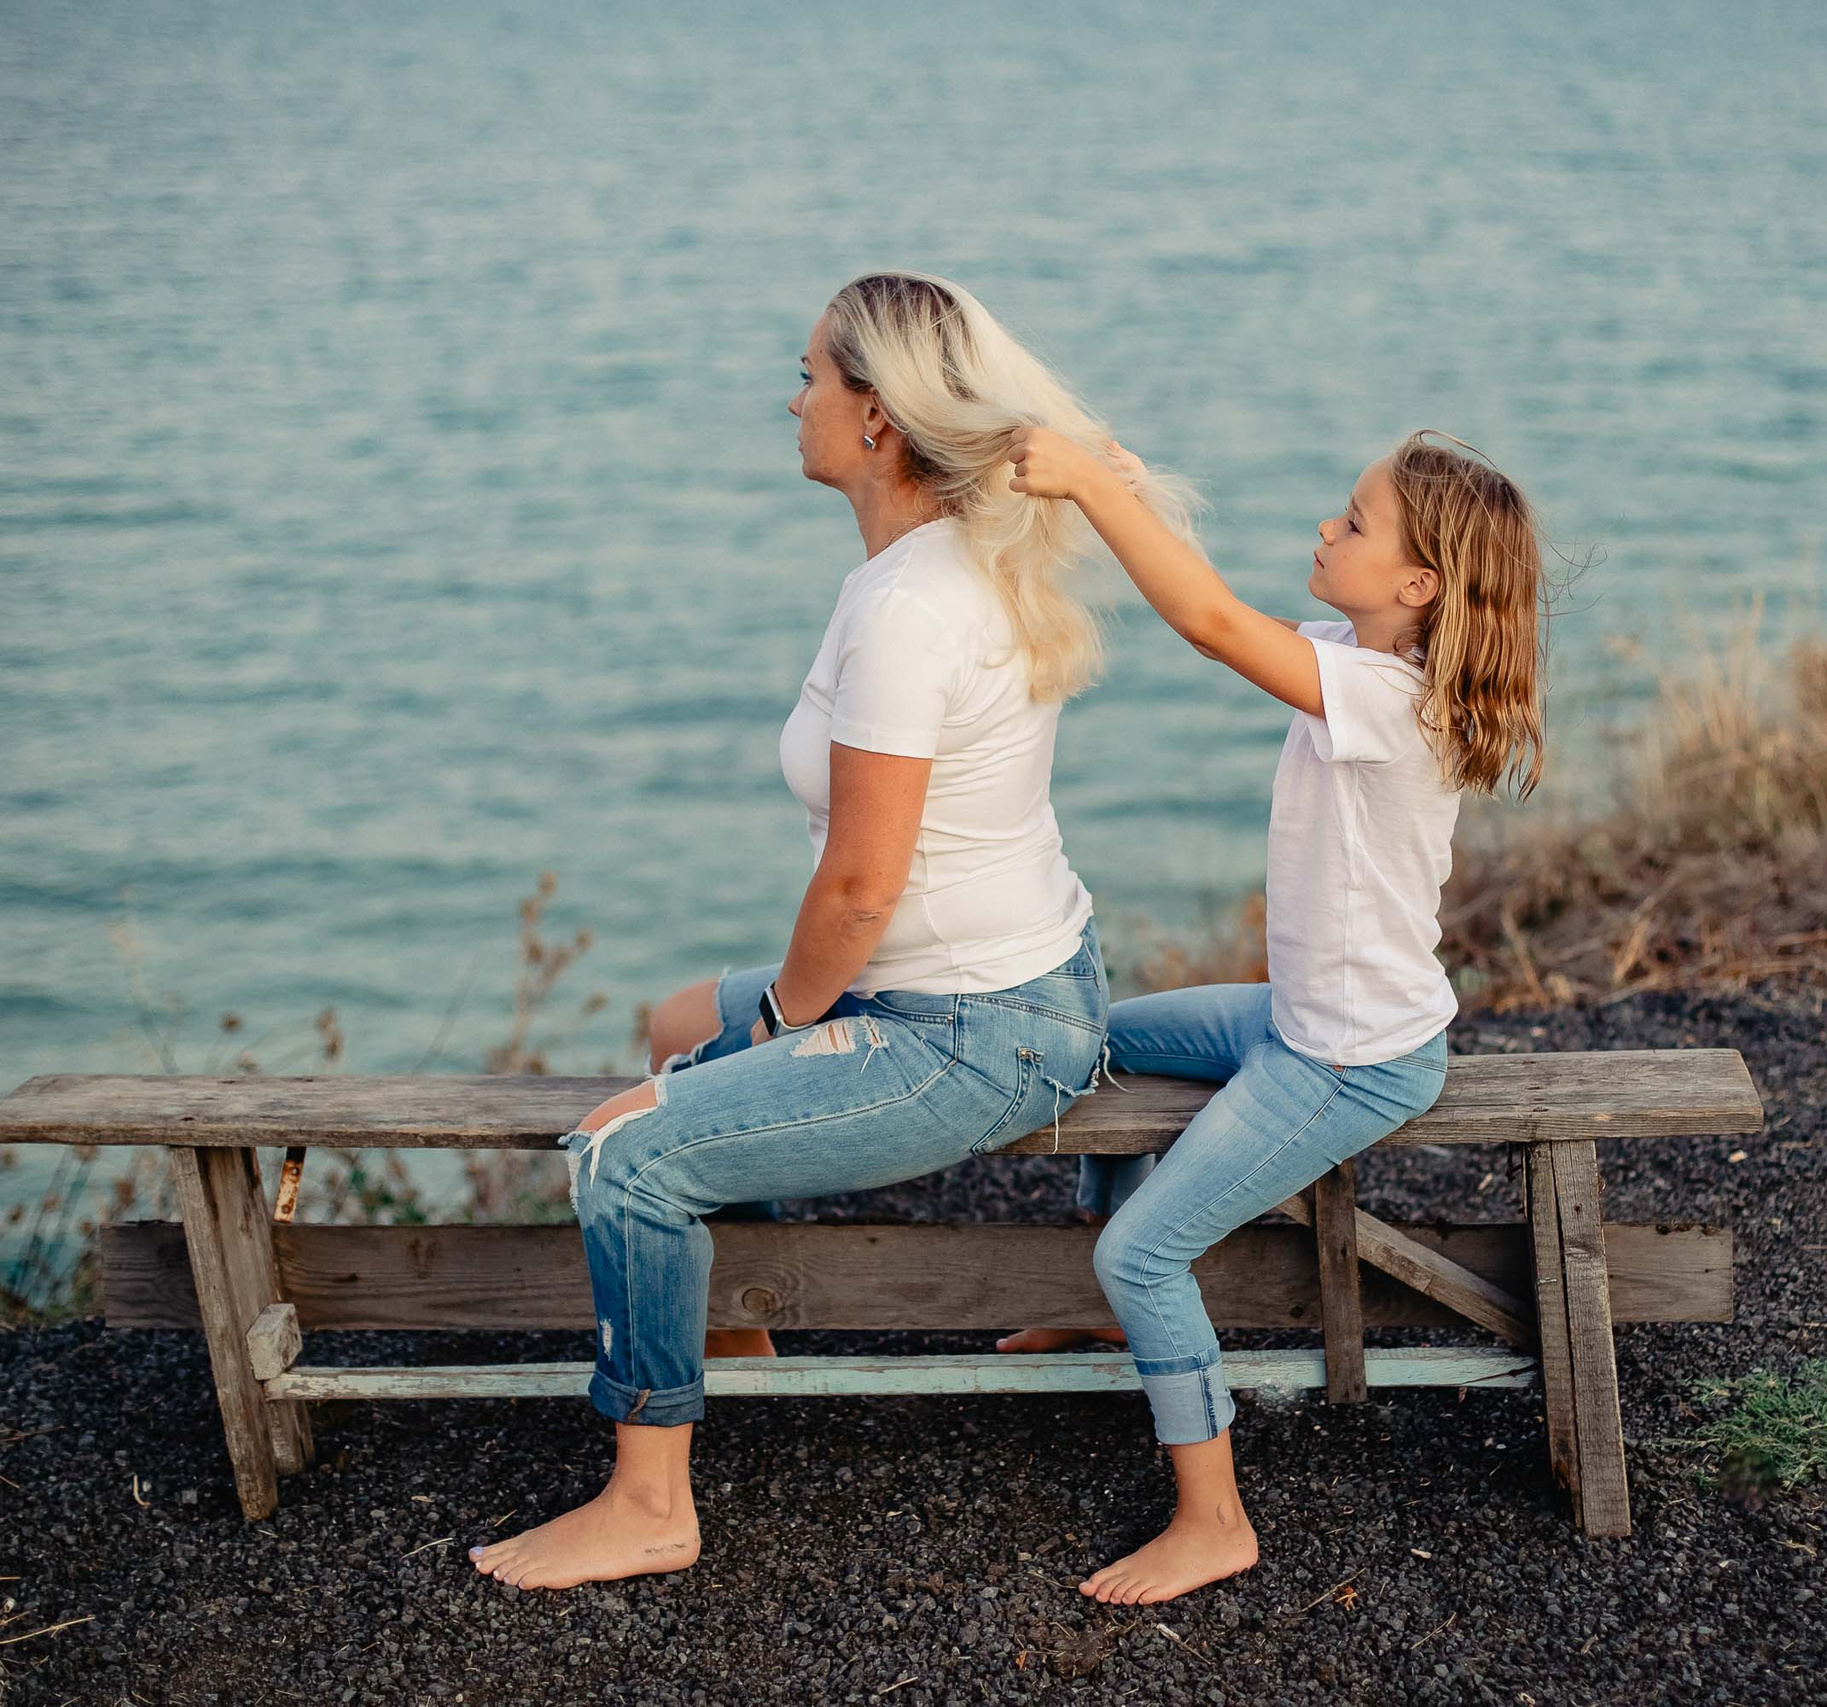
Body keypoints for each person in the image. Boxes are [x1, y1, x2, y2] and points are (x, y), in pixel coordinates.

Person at [469, 272, 1194, 1591]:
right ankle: (728, 1335)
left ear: (876, 418)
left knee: (627, 1152)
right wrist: (738, 1035)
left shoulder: (915, 603)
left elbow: (860, 889)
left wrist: (779, 1029)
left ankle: (647, 1499)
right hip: (1009, 978)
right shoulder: (937, 558)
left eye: (810, 373)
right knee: (675, 1022)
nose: (790, 395)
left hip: (976, 1026)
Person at [1003, 424, 1552, 1604]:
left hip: (1349, 1062)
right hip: (1298, 1017)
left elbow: (1205, 624)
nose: (1324, 529)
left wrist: (1098, 488)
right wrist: (1136, 496)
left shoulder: (1383, 699)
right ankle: (1114, 1323)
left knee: (1142, 1253)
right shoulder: (1358, 661)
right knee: (1082, 1040)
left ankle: (1213, 1521)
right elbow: (1215, 607)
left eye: (1352, 522)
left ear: (1418, 586)